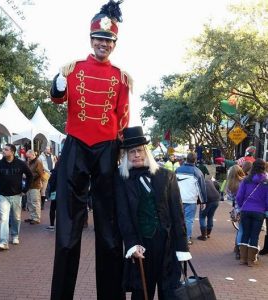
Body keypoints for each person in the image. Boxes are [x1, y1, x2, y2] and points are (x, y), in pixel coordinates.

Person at [49, 1, 131, 299]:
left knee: (109, 231)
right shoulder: (72, 69)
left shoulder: (121, 78)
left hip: (107, 149)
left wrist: (124, 152)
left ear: (114, 44)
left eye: (108, 41)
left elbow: (122, 118)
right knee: (68, 231)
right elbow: (58, 98)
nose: (103, 44)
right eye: (99, 39)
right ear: (91, 39)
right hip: (77, 146)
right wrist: (57, 86)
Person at [115, 126, 191, 299]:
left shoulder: (166, 176)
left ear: (146, 152)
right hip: (142, 246)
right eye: (131, 152)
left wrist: (182, 247)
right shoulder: (121, 180)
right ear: (126, 156)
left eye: (140, 150)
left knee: (170, 292)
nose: (136, 155)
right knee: (142, 293)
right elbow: (123, 215)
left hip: (167, 245)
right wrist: (132, 244)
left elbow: (177, 214)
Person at [0, 144, 33, 250]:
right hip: (2, 195)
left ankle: (15, 235)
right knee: (4, 218)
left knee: (16, 218)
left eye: (6, 150)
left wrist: (25, 190)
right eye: (3, 149)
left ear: (12, 152)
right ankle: (3, 242)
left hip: (17, 195)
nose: (3, 151)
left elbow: (30, 176)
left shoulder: (21, 163)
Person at [236, 158, 268, 267]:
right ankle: (251, 260)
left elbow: (239, 196)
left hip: (246, 209)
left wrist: (241, 206)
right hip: (259, 211)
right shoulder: (266, 182)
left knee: (245, 233)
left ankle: (242, 259)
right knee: (254, 235)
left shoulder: (246, 180)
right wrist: (265, 209)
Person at [175, 152, 207, 245]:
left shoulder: (178, 170)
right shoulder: (197, 172)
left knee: (178, 219)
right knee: (189, 220)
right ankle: (187, 239)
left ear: (186, 159)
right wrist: (203, 202)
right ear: (195, 160)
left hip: (178, 199)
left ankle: (178, 237)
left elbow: (172, 185)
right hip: (191, 200)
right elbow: (201, 188)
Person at [225, 164, 246, 259]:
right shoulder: (244, 181)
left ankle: (237, 249)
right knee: (245, 230)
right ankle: (242, 250)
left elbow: (229, 197)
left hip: (237, 209)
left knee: (240, 230)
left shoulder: (229, 184)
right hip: (246, 207)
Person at [24, 150, 44, 225]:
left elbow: (40, 174)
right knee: (29, 202)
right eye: (27, 157)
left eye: (29, 157)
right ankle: (32, 217)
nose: (28, 158)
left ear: (33, 155)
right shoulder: (30, 162)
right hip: (29, 185)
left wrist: (29, 176)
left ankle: (36, 218)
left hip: (35, 185)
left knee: (35, 202)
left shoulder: (38, 162)